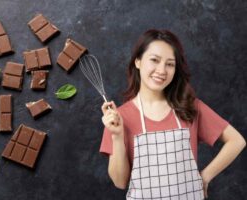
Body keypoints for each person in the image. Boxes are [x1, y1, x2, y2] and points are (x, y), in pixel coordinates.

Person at [100, 29, 246, 199]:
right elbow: (120, 182)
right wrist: (117, 136)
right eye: (154, 60)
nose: (162, 70)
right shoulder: (118, 118)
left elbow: (237, 141)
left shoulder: (189, 107)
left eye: (170, 64)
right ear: (138, 61)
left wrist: (204, 177)